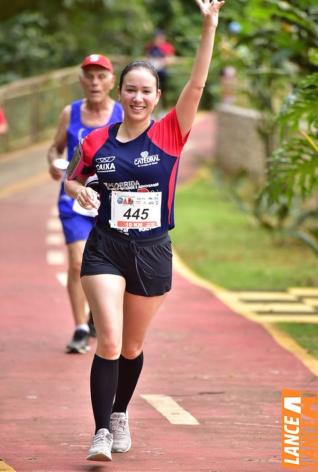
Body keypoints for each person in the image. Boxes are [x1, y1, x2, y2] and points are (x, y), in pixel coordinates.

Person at [65, 0, 224, 462]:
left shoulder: (172, 133)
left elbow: (197, 82)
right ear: (120, 93)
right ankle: (99, 433)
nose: (137, 98)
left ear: (156, 97)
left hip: (152, 251)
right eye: (130, 90)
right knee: (109, 340)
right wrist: (79, 192)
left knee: (132, 347)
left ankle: (119, 414)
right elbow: (73, 176)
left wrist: (209, 23)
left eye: (146, 92)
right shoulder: (96, 140)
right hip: (105, 249)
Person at [47, 54, 123, 354]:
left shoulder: (121, 113)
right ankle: (80, 327)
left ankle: (95, 316)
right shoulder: (71, 113)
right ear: (81, 81)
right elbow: (55, 147)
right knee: (78, 262)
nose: (95, 82)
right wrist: (54, 162)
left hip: (110, 203)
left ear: (111, 82)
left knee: (110, 267)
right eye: (89, 76)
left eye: (101, 76)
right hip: (74, 199)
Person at [145, 29, 175, 109]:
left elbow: (170, 59)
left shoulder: (166, 47)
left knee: (163, 92)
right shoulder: (150, 47)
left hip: (163, 73)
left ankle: (164, 109)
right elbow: (148, 57)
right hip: (153, 73)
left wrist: (159, 63)